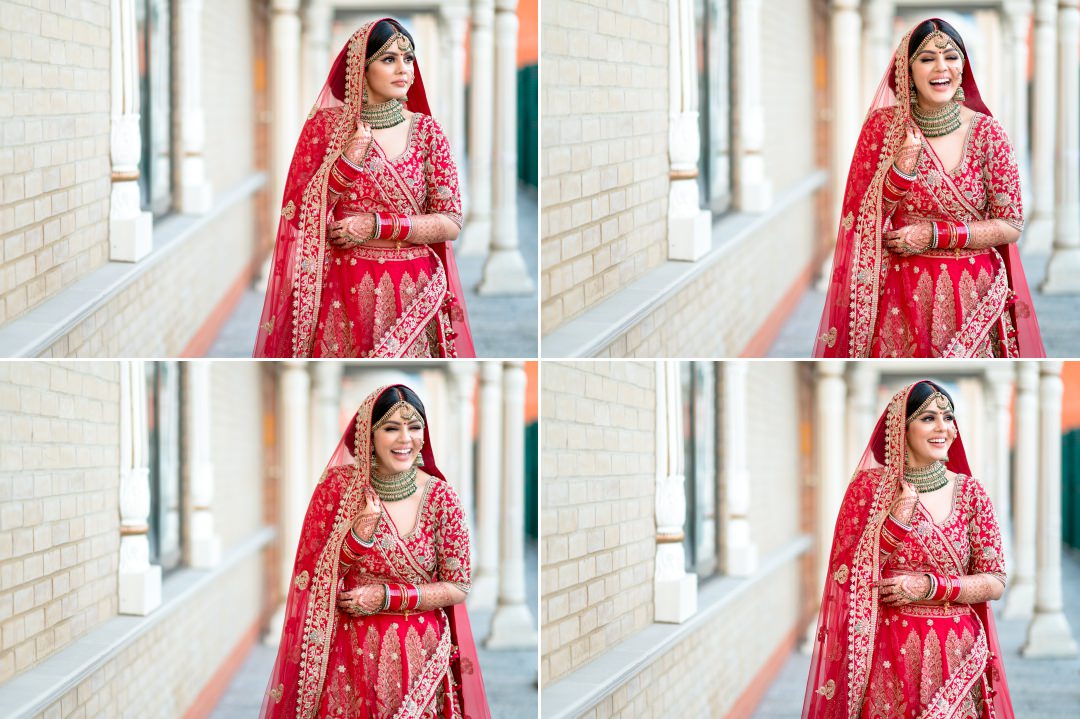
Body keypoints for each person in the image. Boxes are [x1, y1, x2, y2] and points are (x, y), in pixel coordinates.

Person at [813, 18, 1044, 358]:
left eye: (951, 57)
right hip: (901, 295)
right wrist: (902, 168)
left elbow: (1010, 225)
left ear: (963, 65)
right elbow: (864, 217)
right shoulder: (883, 129)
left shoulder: (988, 133)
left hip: (973, 294)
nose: (942, 67)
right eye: (927, 58)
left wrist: (933, 234)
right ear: (907, 70)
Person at [260, 385, 489, 718]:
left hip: (420, 658)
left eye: (414, 427)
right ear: (369, 434)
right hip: (350, 659)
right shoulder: (339, 489)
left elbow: (458, 587)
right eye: (391, 428)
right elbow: (316, 576)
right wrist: (358, 535)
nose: (405, 439)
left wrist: (385, 597)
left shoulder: (442, 498)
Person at [254, 18, 475, 358]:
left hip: (414, 289)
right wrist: (348, 161)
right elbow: (301, 213)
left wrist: (375, 225)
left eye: (409, 58)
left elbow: (450, 222)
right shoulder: (330, 130)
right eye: (389, 59)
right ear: (361, 68)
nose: (404, 69)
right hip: (344, 286)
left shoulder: (429, 133)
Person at [802, 380, 1014, 718]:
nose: (943, 427)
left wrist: (928, 586)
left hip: (956, 653)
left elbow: (995, 581)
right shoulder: (869, 491)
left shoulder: (973, 494)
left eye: (948, 417)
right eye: (928, 418)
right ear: (902, 427)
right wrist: (898, 518)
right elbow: (849, 574)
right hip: (889, 653)